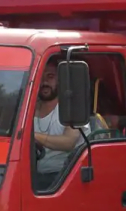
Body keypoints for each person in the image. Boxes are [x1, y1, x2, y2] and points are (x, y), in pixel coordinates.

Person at [33, 59, 87, 189]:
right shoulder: (29, 108)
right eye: (40, 77)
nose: (44, 82)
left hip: (64, 176)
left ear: (60, 80)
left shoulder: (71, 107)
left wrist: (31, 136)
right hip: (32, 173)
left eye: (50, 76)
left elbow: (68, 142)